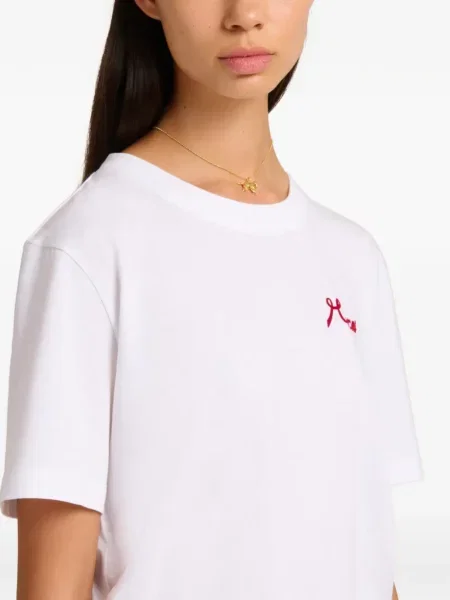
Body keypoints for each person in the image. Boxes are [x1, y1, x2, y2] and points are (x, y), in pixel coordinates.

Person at [0, 1, 423, 599]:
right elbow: (51, 589)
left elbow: (364, 554)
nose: (244, 13)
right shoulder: (89, 246)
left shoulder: (352, 258)